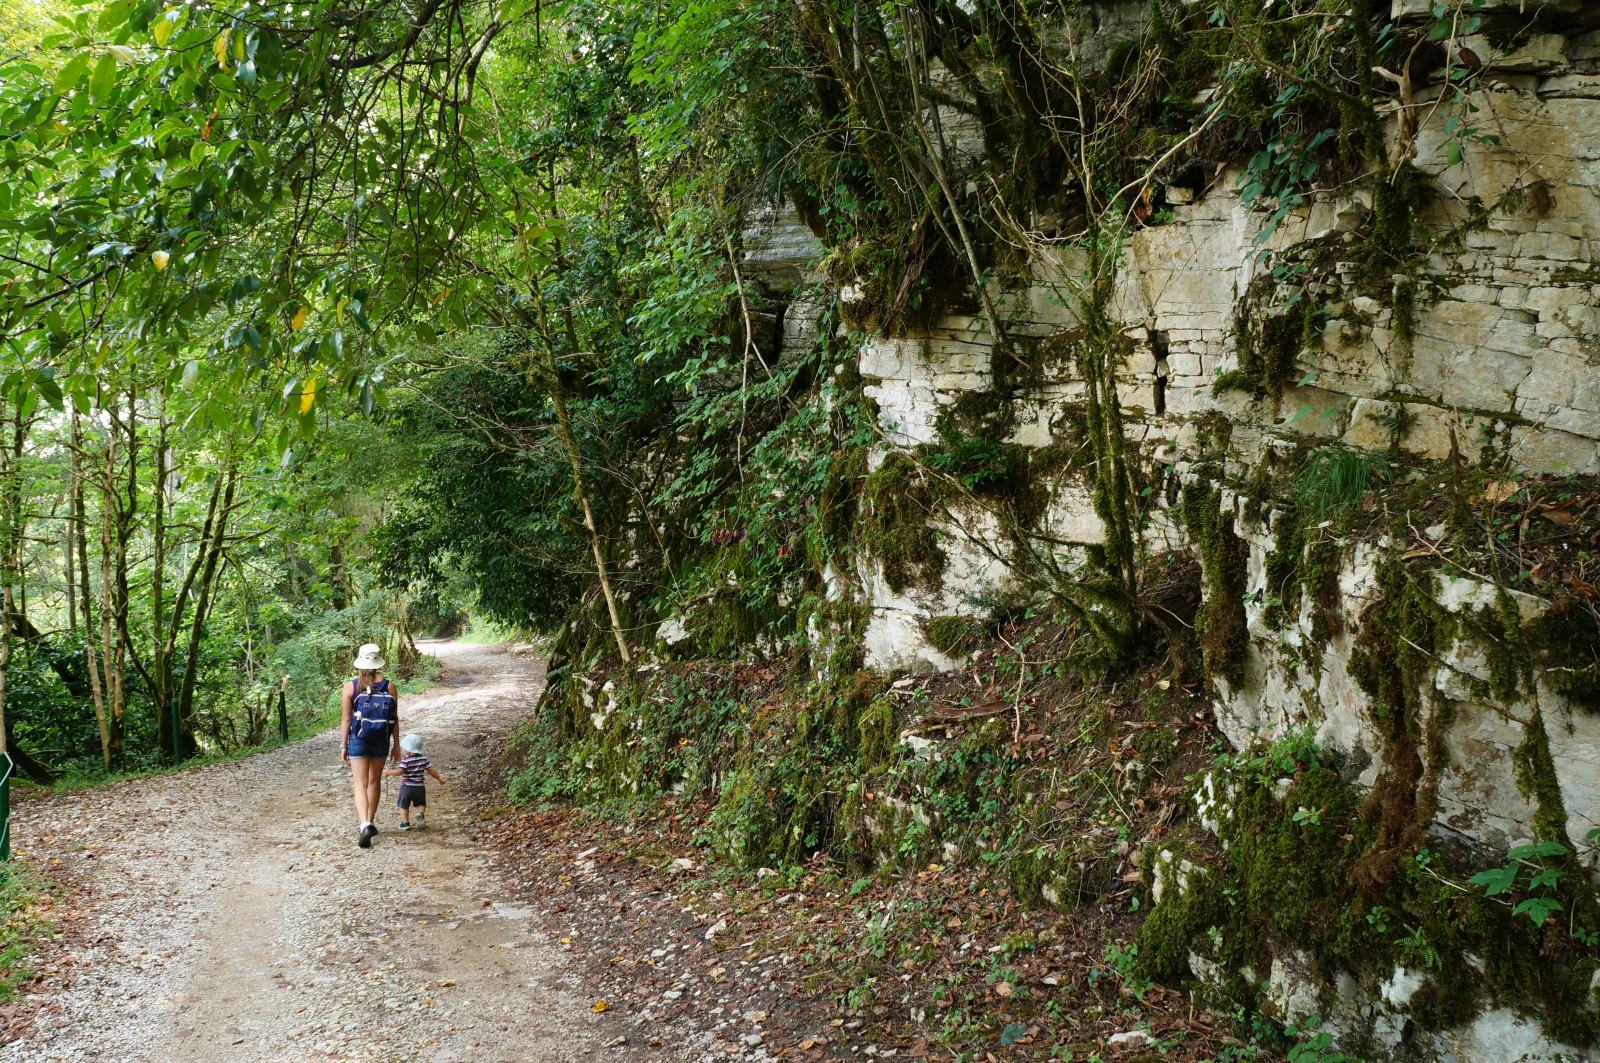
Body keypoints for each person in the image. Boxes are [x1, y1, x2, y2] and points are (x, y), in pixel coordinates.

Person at [340, 643, 400, 848]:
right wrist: (397, 746)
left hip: (358, 738)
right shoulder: (389, 686)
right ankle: (371, 822)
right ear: (377, 663)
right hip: (381, 739)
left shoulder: (351, 686)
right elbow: (394, 719)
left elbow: (346, 720)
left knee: (360, 783)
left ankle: (364, 823)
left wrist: (343, 746)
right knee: (374, 782)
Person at [385, 733, 446, 829]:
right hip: (419, 787)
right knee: (421, 803)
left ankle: (405, 823)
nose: (402, 750)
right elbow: (431, 770)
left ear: (408, 750)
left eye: (403, 748)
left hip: (406, 787)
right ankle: (420, 814)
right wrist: (439, 778)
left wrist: (388, 772)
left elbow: (400, 771)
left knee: (404, 804)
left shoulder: (406, 761)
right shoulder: (423, 759)